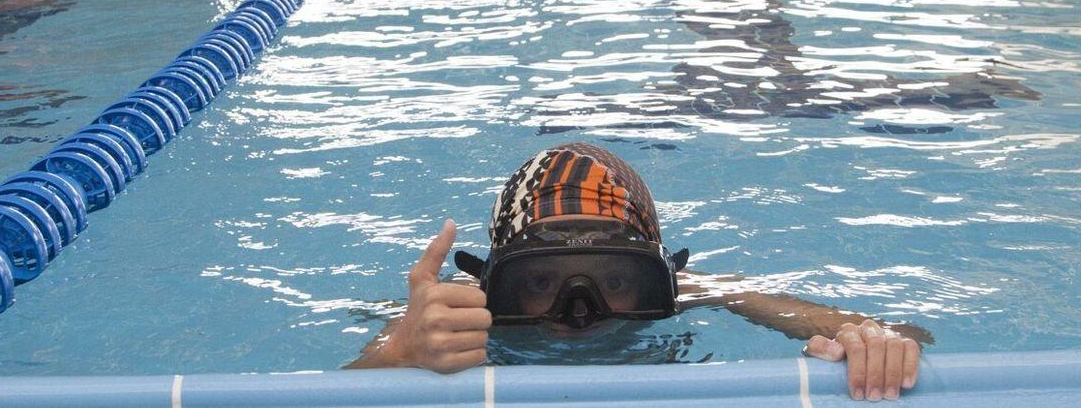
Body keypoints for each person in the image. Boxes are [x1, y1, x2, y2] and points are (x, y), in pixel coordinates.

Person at [350, 142, 928, 402]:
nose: (580, 313)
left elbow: (906, 336)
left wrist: (872, 344)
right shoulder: (448, 319)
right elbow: (331, 389)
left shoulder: (697, 295)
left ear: (662, 280)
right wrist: (400, 351)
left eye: (616, 280)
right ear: (493, 284)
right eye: (541, 282)